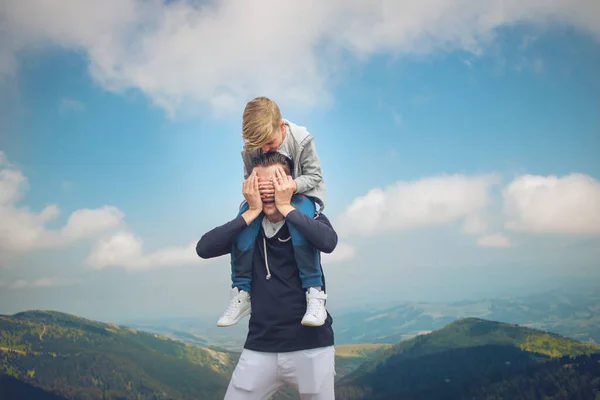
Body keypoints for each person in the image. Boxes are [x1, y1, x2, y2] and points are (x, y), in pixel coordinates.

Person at [196, 152, 337, 399]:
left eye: (274, 184)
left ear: (288, 184)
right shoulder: (247, 228)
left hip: (312, 346)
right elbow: (204, 248)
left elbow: (328, 242)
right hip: (260, 345)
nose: (268, 192)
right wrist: (250, 212)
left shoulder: (308, 216)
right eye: (261, 186)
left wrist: (286, 207)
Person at [216, 96, 329, 328]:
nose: (265, 150)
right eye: (260, 146)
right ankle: (241, 291)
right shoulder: (252, 146)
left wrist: (291, 187)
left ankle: (314, 291)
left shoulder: (302, 140)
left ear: (281, 127)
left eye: (269, 143)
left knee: (299, 225)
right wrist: (257, 190)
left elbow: (315, 176)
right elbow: (250, 176)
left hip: (300, 194)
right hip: (265, 197)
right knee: (244, 225)